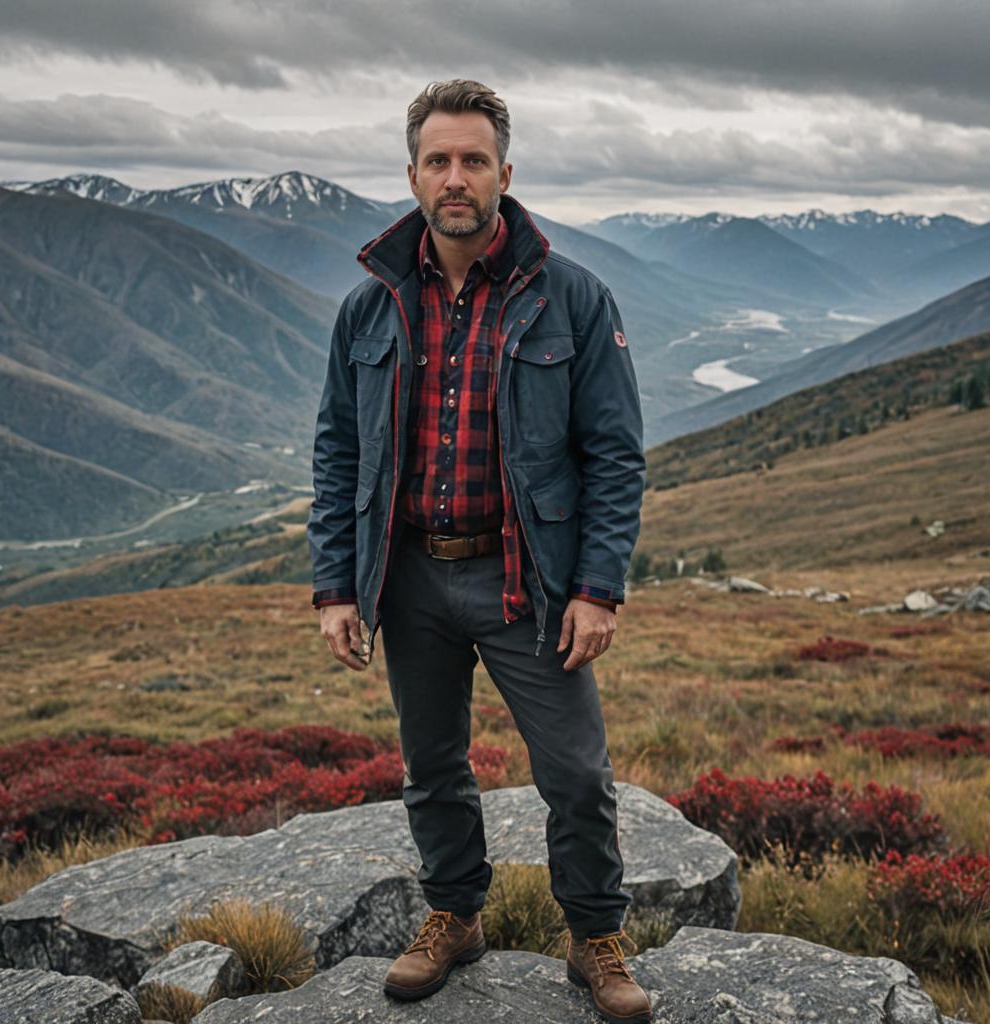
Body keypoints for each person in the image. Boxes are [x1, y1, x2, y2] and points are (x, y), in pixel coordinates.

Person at [307, 78, 651, 1024]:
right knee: (432, 768)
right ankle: (454, 915)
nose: (455, 178)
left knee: (577, 775)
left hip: (525, 583)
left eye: (473, 160)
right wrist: (338, 586)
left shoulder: (573, 299)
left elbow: (614, 458)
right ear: (412, 173)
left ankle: (594, 936)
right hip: (409, 576)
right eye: (437, 161)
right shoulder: (369, 305)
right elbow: (339, 451)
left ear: (506, 170)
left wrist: (598, 588)